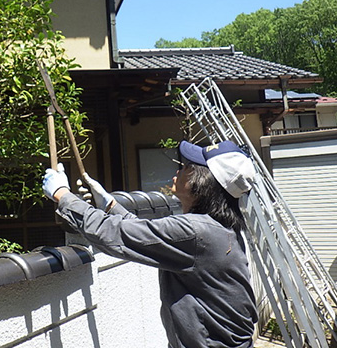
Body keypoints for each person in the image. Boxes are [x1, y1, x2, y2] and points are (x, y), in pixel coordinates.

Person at [42, 140, 258, 348]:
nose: (178, 171)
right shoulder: (219, 228)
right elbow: (149, 235)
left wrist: (62, 195)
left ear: (201, 182)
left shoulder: (195, 232)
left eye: (186, 167)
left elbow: (113, 234)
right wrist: (110, 205)